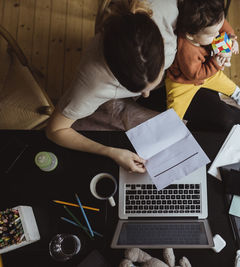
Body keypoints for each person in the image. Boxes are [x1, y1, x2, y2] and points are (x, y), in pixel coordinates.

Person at [45, 0, 178, 174]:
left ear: (162, 42)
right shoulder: (91, 82)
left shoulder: (165, 6)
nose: (146, 95)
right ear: (113, 73)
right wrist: (110, 152)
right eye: (137, 89)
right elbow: (55, 130)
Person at [166, 0, 240, 121]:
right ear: (190, 35)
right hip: (183, 81)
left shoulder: (210, 23)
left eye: (218, 29)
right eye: (212, 35)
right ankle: (173, 124)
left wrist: (230, 39)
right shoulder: (187, 51)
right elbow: (195, 75)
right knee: (174, 111)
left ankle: (239, 96)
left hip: (205, 70)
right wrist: (216, 63)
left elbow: (222, 26)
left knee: (225, 83)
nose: (217, 34)